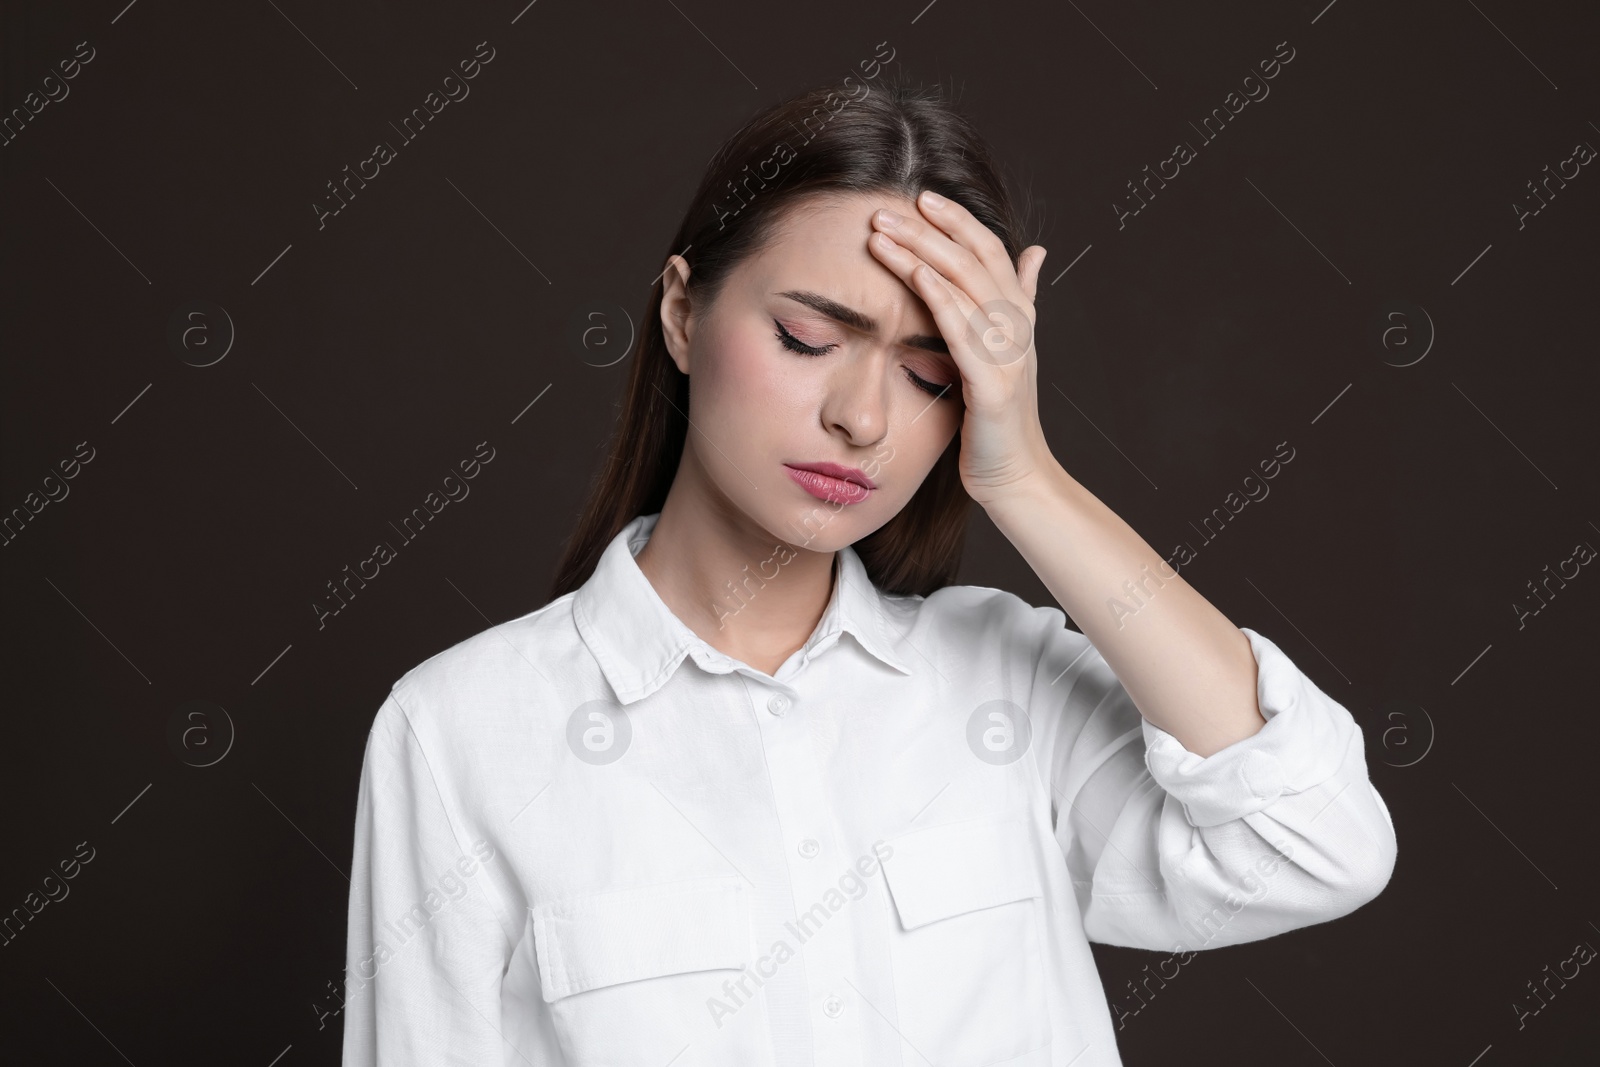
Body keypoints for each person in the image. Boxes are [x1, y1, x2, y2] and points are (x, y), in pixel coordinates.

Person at [341, 74, 1397, 1066]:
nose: (862, 416)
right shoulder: (462, 733)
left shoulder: (1005, 682)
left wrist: (1024, 474)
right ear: (681, 311)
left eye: (930, 371)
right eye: (807, 337)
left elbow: (1315, 840)